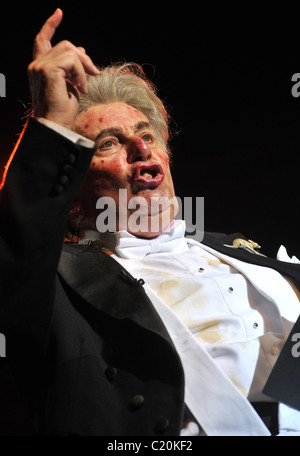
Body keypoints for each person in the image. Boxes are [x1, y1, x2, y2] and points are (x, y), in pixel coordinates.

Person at [1, 8, 300, 436]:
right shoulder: (53, 289)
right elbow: (15, 250)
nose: (141, 148)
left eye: (148, 135)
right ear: (74, 202)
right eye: (108, 143)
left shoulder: (241, 251)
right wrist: (51, 125)